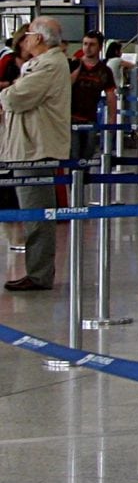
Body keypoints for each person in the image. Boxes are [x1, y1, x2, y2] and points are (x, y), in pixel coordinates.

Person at [2, 19, 73, 290]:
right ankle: (36, 271)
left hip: (36, 150)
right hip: (26, 148)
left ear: (40, 39)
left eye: (28, 35)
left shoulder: (50, 65)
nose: (23, 40)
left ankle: (39, 274)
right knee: (31, 214)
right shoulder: (40, 65)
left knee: (37, 215)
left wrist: (6, 93)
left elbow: (15, 98)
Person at [68, 29, 120, 162]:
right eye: (85, 44)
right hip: (70, 117)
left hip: (90, 118)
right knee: (73, 154)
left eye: (92, 44)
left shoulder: (104, 71)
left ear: (100, 47)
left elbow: (110, 95)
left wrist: (112, 118)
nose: (87, 48)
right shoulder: (73, 64)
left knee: (88, 154)